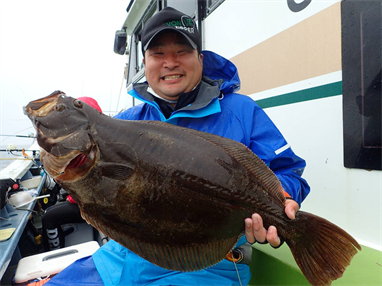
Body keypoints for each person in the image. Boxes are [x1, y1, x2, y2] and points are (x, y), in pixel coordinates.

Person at [46, 7, 310, 286]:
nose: (169, 63)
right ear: (145, 63)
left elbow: (287, 172)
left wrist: (279, 202)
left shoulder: (240, 111)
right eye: (157, 53)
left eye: (181, 52)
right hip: (124, 255)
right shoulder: (127, 120)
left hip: (210, 265)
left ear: (200, 58)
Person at [42, 97, 103, 251]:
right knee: (50, 211)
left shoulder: (87, 147)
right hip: (86, 200)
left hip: (93, 205)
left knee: (49, 217)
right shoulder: (93, 143)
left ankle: (56, 253)